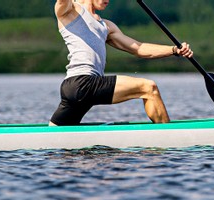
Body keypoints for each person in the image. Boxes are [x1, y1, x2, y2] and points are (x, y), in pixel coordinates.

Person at [50, 0, 194, 126]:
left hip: (77, 90)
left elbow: (138, 48)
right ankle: (167, 139)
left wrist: (175, 50)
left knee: (54, 134)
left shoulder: (106, 26)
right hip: (82, 82)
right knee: (149, 88)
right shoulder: (70, 11)